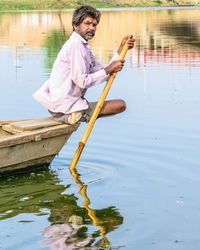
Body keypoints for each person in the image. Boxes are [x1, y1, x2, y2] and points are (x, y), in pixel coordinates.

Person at [33, 5, 135, 124]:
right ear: (75, 25)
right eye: (87, 23)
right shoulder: (75, 46)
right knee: (120, 105)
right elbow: (82, 81)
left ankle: (84, 114)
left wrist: (121, 50)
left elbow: (101, 71)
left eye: (94, 25)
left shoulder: (83, 46)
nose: (91, 28)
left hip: (67, 104)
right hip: (64, 108)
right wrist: (108, 70)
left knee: (118, 105)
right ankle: (76, 116)